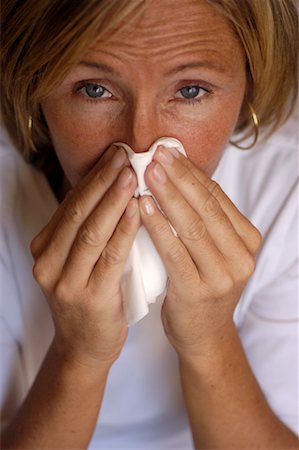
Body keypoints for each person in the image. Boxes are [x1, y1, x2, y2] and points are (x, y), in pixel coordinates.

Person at [0, 0, 298, 448]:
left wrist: (211, 341)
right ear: (33, 88)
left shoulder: (285, 194)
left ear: (249, 86)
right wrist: (78, 355)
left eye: (191, 91)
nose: (140, 146)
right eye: (95, 90)